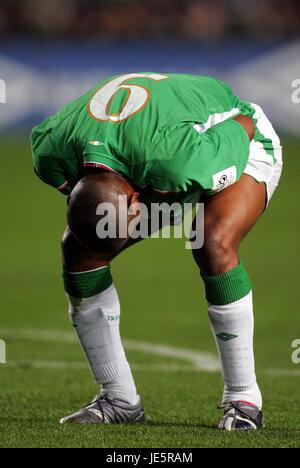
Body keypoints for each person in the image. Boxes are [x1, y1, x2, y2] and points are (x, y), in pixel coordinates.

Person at [30, 73, 282, 430]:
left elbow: (243, 126)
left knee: (210, 241)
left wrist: (174, 191)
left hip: (232, 132)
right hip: (150, 154)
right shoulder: (50, 152)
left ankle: (244, 398)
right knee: (79, 250)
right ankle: (119, 400)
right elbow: (88, 198)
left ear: (136, 198)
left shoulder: (184, 160)